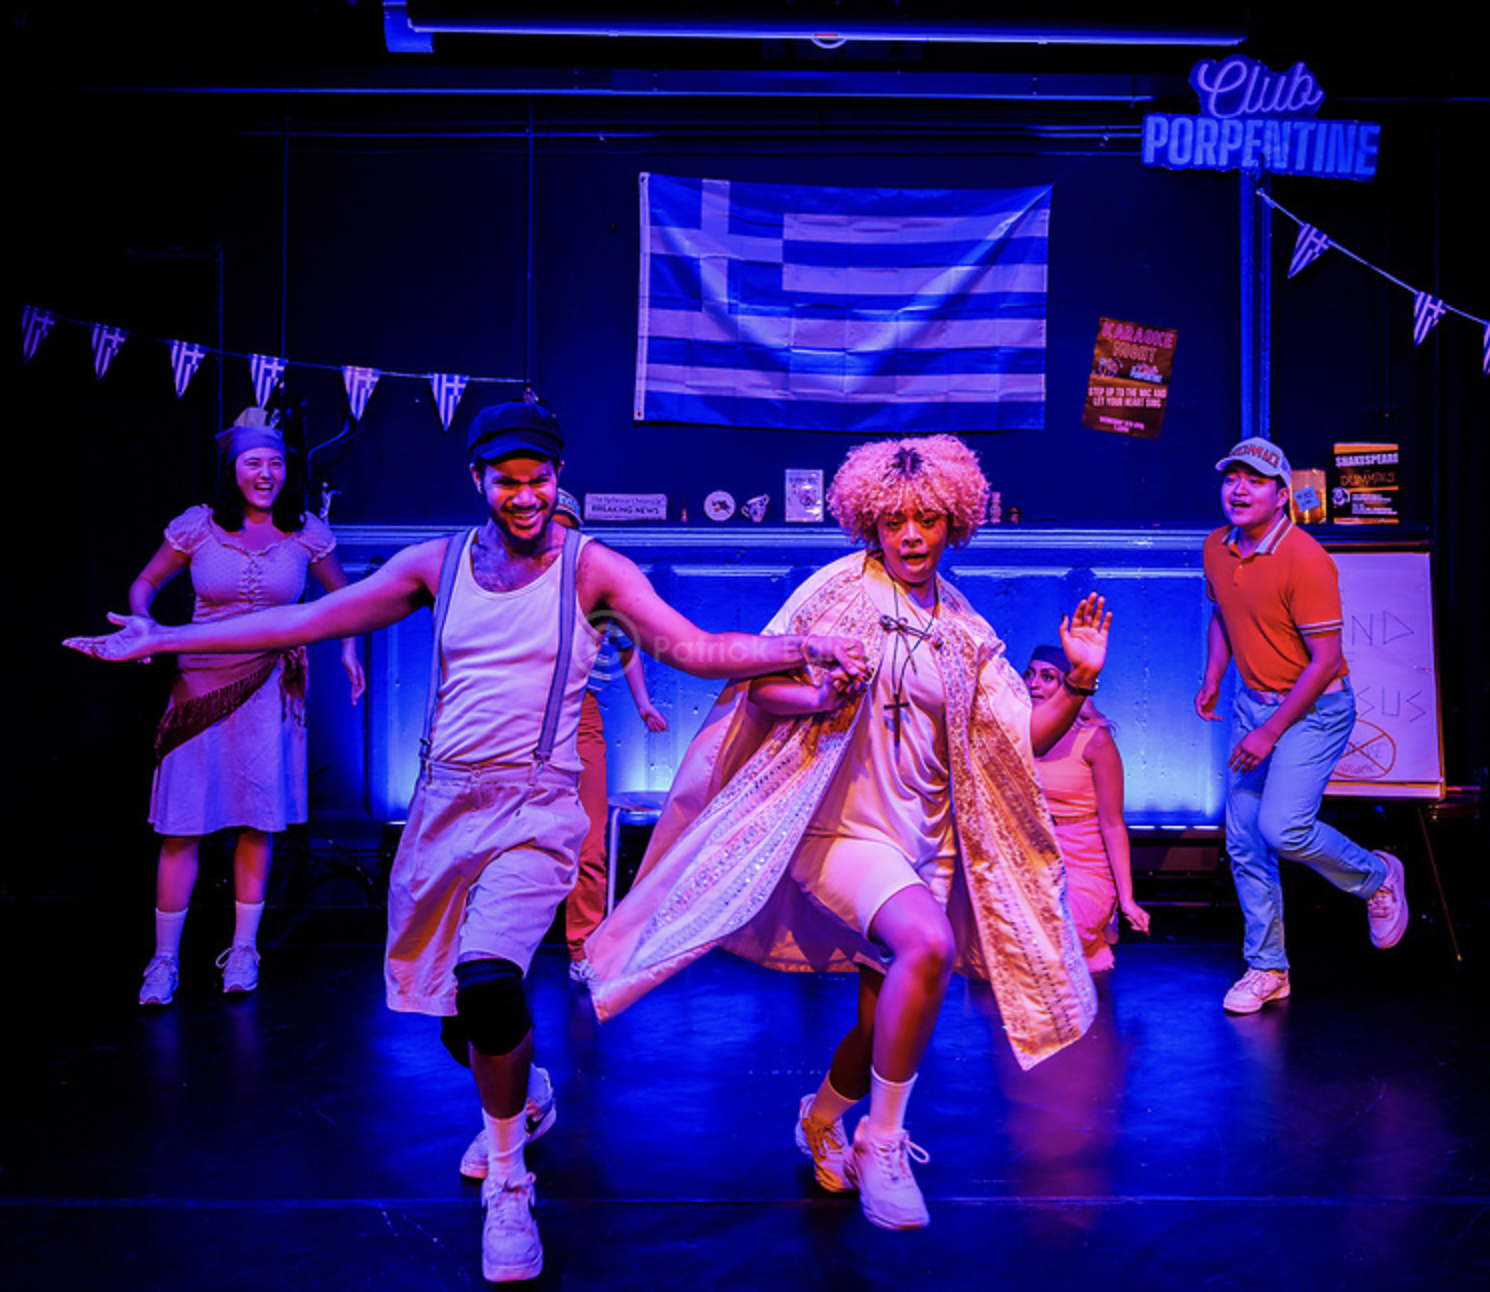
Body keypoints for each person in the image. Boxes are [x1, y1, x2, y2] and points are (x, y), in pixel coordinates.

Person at [67, 400, 866, 1283]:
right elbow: (300, 624)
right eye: (507, 480)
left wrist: (799, 643)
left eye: (539, 480)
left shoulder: (593, 570)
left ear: (558, 480)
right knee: (458, 1019)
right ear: (478, 481)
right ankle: (526, 1099)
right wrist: (166, 636)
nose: (525, 496)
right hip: (441, 814)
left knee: (489, 984)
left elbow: (694, 646)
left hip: (535, 809)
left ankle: (512, 1188)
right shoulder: (434, 565)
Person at [585, 434, 1109, 1232]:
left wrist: (1079, 676)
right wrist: (822, 694)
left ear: (954, 524)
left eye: (927, 520)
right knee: (926, 946)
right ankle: (884, 1141)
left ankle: (821, 1116)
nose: (909, 535)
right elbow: (759, 694)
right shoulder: (835, 591)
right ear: (869, 520)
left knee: (880, 1025)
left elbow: (1026, 739)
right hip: (839, 831)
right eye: (895, 519)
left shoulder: (965, 629)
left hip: (927, 845)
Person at [453, 488, 666, 1181]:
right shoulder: (494, 584)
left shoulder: (596, 582)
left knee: (589, 843)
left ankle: (581, 946)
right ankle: (497, 958)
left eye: (566, 523)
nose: (554, 535)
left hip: (579, 714)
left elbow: (635, 648)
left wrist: (644, 703)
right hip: (500, 727)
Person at [131, 408, 364, 1008]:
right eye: (253, 462)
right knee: (182, 822)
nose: (266, 473)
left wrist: (349, 651)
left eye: (276, 463)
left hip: (270, 690)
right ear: (233, 469)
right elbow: (144, 584)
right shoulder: (199, 527)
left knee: (257, 818)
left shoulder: (305, 532)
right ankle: (163, 961)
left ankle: (243, 950)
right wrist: (143, 626)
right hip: (202, 685)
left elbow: (350, 601)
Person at [1196, 437, 1407, 1015]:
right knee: (1243, 840)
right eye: (1231, 478)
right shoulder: (1217, 547)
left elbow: (1323, 662)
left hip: (1314, 710)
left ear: (1282, 495)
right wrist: (1215, 675)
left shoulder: (1306, 559)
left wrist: (1269, 732)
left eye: (1255, 481)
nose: (1239, 489)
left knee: (1282, 828)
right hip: (1253, 704)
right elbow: (1223, 614)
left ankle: (1377, 875)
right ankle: (1268, 968)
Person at [1023, 646, 1150, 971]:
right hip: (1032, 863)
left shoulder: (1094, 740)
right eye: (1030, 674)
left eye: (1048, 676)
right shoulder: (1016, 735)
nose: (1034, 683)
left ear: (1069, 686)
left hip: (1083, 870)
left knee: (1051, 941)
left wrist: (1127, 900)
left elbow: (1112, 824)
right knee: (1007, 939)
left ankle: (1090, 938)